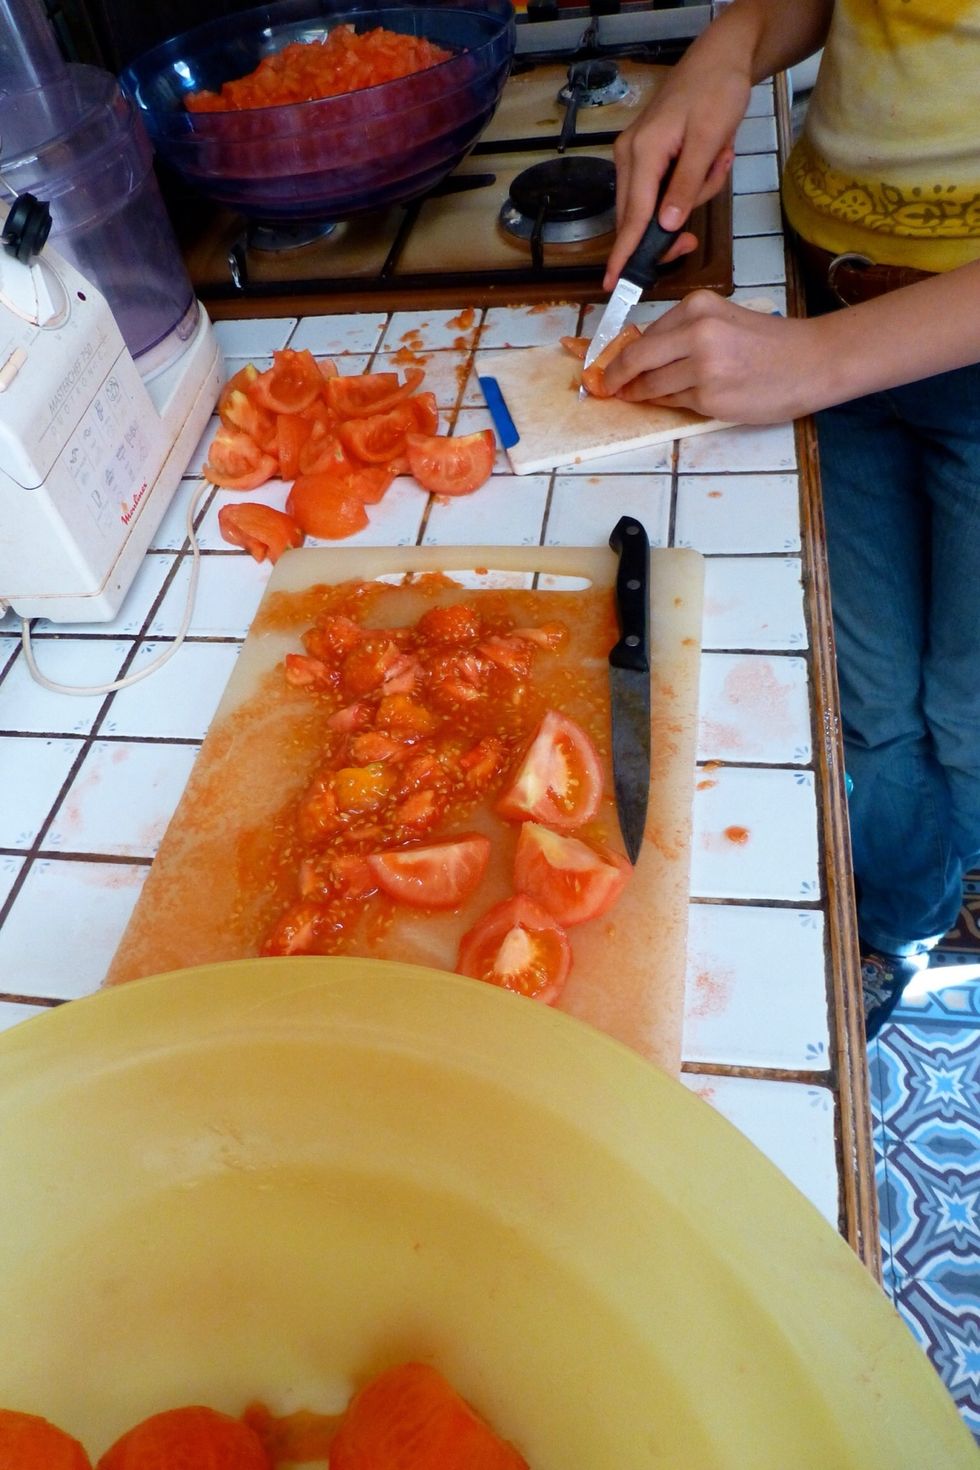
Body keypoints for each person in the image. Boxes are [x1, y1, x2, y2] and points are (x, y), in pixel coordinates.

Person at [600, 0, 980, 1038]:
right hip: (823, 305)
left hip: (878, 356)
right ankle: (899, 917)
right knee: (871, 705)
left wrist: (818, 361)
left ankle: (928, 913)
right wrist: (732, 44)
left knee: (964, 719)